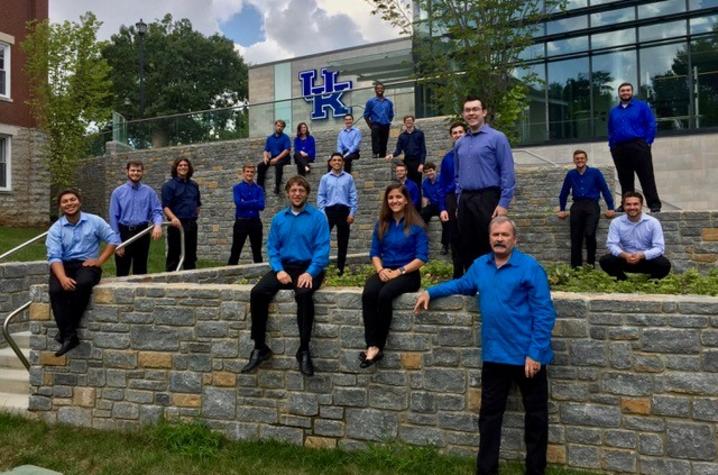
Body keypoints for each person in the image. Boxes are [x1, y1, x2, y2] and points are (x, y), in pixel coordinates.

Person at [414, 217, 556, 475]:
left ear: (515, 239)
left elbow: (544, 313)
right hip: (495, 356)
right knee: (489, 418)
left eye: (504, 235)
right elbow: (461, 285)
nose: (499, 239)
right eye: (495, 235)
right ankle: (486, 470)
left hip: (527, 357)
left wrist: (535, 353)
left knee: (536, 417)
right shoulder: (480, 266)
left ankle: (536, 470)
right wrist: (430, 292)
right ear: (489, 238)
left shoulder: (530, 267)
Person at [241, 176, 330, 377]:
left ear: (307, 193)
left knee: (304, 295)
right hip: (285, 267)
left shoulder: (318, 217)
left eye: (301, 190)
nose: (297, 194)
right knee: (258, 292)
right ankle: (260, 347)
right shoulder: (279, 218)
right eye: (293, 190)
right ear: (288, 193)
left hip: (309, 267)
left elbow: (322, 250)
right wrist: (279, 269)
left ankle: (304, 350)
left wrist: (310, 272)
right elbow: (272, 248)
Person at [46, 189, 120, 356]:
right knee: (56, 290)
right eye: (65, 201)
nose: (69, 203)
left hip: (87, 265)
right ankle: (70, 335)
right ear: (60, 206)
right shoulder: (55, 229)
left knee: (83, 284)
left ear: (79, 202)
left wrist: (99, 261)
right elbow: (54, 257)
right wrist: (63, 277)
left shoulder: (94, 221)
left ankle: (66, 332)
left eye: (72, 200)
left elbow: (113, 239)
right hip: (63, 265)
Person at [362, 183, 428, 368]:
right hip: (386, 270)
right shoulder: (382, 224)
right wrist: (381, 270)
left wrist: (398, 272)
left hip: (408, 273)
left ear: (406, 200)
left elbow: (422, 258)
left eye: (398, 197)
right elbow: (374, 253)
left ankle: (377, 346)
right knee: (369, 293)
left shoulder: (416, 226)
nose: (394, 201)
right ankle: (370, 344)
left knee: (384, 295)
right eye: (391, 198)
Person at [454, 96, 516, 272]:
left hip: (488, 198)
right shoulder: (460, 143)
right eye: (468, 110)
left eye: (475, 109)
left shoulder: (497, 138)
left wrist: (503, 203)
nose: (471, 113)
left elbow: (507, 172)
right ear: (463, 114)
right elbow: (457, 176)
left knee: (489, 243)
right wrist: (459, 200)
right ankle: (472, 284)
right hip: (466, 199)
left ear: (484, 112)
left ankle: (493, 285)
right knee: (466, 244)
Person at [608, 82, 661, 212]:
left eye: (627, 90)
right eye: (622, 91)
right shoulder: (614, 111)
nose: (625, 92)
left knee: (646, 175)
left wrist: (647, 142)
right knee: (624, 178)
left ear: (632, 92)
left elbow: (651, 124)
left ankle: (653, 204)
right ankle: (625, 204)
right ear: (619, 93)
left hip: (638, 145)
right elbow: (610, 129)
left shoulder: (641, 107)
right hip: (619, 148)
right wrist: (612, 146)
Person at [557, 150, 616, 268]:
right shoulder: (571, 174)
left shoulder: (595, 173)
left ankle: (590, 264)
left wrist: (611, 207)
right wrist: (562, 209)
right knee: (575, 237)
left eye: (582, 158)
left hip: (592, 205)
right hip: (577, 205)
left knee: (589, 233)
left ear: (586, 159)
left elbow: (604, 189)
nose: (579, 160)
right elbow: (564, 192)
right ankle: (576, 267)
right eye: (577, 158)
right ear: (574, 160)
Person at [599, 191, 671, 280]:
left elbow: (659, 248)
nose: (632, 207)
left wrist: (642, 255)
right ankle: (622, 279)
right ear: (623, 206)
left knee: (664, 264)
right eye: (628, 204)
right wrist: (625, 255)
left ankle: (652, 280)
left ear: (641, 205)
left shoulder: (653, 223)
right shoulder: (616, 223)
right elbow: (612, 244)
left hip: (646, 260)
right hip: (625, 259)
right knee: (605, 261)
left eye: (635, 204)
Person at [108, 160, 164, 276]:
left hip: (142, 232)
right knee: (122, 269)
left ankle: (140, 293)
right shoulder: (118, 193)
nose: (135, 173)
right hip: (124, 233)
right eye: (133, 170)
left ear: (142, 172)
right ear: (127, 172)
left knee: (141, 269)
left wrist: (158, 224)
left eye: (138, 171)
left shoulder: (149, 192)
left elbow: (156, 211)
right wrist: (117, 242)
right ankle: (122, 293)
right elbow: (113, 217)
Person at [317, 153, 358, 276]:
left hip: (344, 211)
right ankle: (320, 268)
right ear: (330, 163)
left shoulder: (349, 178)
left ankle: (340, 269)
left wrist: (352, 213)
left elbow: (353, 196)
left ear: (343, 162)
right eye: (334, 160)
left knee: (343, 242)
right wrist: (323, 213)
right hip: (329, 212)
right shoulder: (325, 178)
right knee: (322, 241)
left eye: (339, 160)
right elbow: (321, 196)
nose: (337, 162)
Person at [161, 158, 201, 271]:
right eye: (180, 165)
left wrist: (193, 216)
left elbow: (197, 204)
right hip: (176, 225)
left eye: (185, 165)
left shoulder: (194, 185)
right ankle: (171, 283)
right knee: (174, 255)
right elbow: (165, 207)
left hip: (191, 225)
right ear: (176, 168)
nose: (183, 167)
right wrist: (173, 218)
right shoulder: (168, 186)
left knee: (191, 256)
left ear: (189, 168)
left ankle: (191, 283)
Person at [438, 122, 466, 278]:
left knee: (469, 237)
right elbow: (441, 184)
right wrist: (442, 207)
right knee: (454, 238)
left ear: (465, 133)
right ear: (451, 136)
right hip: (451, 198)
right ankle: (457, 275)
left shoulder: (472, 154)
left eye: (460, 132)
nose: (457, 135)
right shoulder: (447, 158)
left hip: (468, 197)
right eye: (454, 133)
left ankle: (472, 275)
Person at [228, 164, 265, 265]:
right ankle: (230, 273)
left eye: (252, 172)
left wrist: (246, 202)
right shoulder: (237, 188)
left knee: (257, 251)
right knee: (236, 250)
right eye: (247, 171)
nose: (249, 174)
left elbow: (261, 206)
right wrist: (254, 201)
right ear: (243, 173)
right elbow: (238, 203)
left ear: (254, 174)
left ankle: (259, 275)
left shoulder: (259, 189)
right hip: (241, 221)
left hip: (255, 222)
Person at [385, 115, 426, 191]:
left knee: (417, 184)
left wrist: (422, 164)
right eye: (407, 121)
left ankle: (417, 202)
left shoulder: (420, 134)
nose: (409, 122)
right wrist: (392, 155)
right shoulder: (402, 136)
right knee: (407, 184)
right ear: (404, 123)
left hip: (417, 162)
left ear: (413, 122)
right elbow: (398, 150)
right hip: (407, 162)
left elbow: (423, 150)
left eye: (410, 120)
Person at [419, 162, 448, 253]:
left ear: (435, 170)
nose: (429, 173)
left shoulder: (442, 180)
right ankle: (420, 241)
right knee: (422, 215)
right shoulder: (425, 183)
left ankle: (445, 245)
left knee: (446, 221)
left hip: (442, 205)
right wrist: (424, 208)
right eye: (427, 172)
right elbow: (426, 198)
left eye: (430, 171)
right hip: (432, 205)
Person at [257, 119, 292, 195]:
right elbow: (266, 150)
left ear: (283, 128)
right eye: (278, 126)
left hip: (284, 157)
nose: (279, 128)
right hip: (273, 157)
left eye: (281, 127)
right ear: (275, 126)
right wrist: (265, 157)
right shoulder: (270, 138)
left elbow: (287, 150)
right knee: (260, 166)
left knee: (278, 164)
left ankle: (277, 187)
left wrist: (276, 159)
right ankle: (260, 187)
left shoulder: (285, 137)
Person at [363, 81, 394, 158]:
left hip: (386, 124)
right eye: (378, 88)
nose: (380, 90)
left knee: (384, 141)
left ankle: (382, 155)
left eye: (381, 88)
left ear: (384, 90)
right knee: (375, 138)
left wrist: (388, 120)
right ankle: (375, 153)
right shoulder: (370, 102)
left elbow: (391, 114)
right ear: (375, 90)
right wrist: (370, 125)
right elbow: (366, 115)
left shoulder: (389, 102)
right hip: (375, 124)